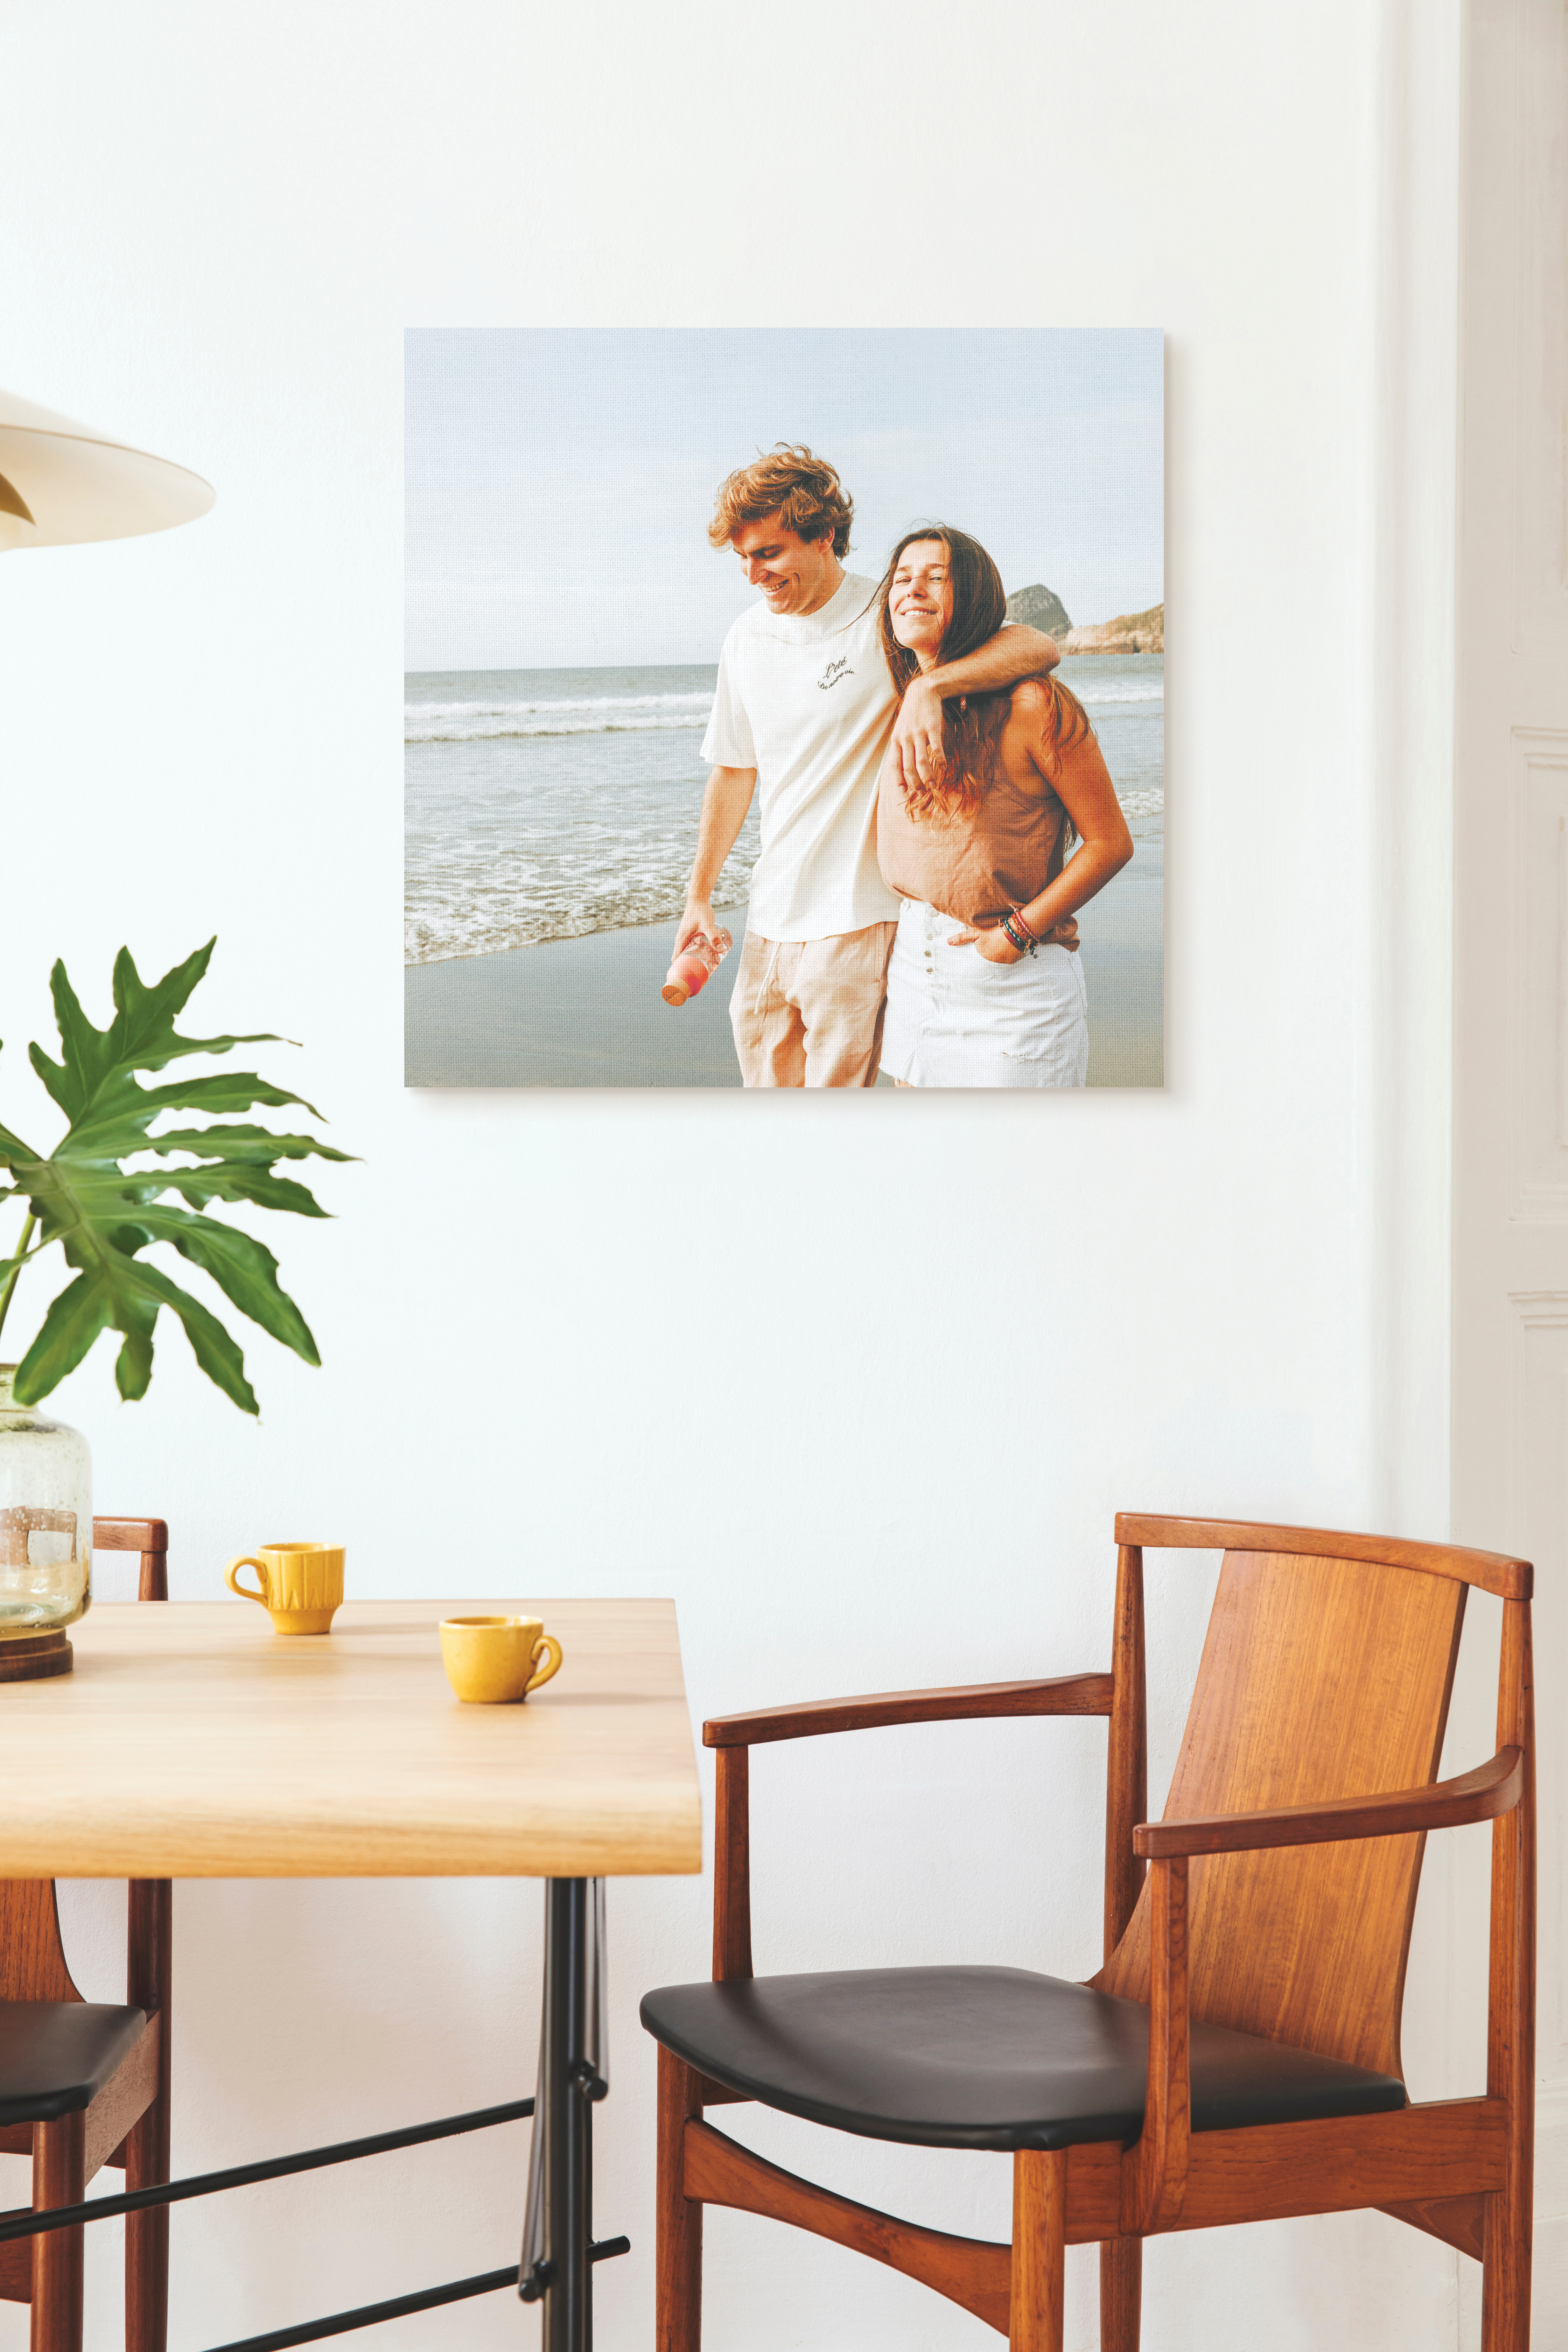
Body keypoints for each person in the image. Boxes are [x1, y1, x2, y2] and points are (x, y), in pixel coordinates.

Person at [673, 447, 1065, 1087]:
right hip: (767, 926)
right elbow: (733, 771)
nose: (753, 575)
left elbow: (1035, 644)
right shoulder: (745, 637)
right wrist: (699, 895)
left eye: (768, 553)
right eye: (743, 558)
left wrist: (927, 689)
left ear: (824, 535)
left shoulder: (888, 614)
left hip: (858, 923)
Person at [875, 526, 1134, 1088]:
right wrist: (925, 692)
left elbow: (1111, 843)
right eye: (902, 578)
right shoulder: (898, 696)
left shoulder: (1032, 704)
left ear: (973, 599)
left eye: (937, 578)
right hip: (916, 973)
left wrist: (1014, 936)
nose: (914, 589)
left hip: (1012, 983)